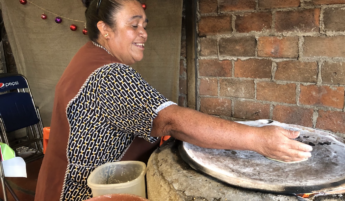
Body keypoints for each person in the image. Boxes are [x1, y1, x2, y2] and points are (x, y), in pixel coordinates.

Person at [35, 0, 313, 200]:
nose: (143, 32)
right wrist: (258, 140)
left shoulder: (89, 58)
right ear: (105, 29)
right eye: (133, 25)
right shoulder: (108, 74)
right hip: (82, 193)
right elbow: (169, 120)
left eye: (144, 25)